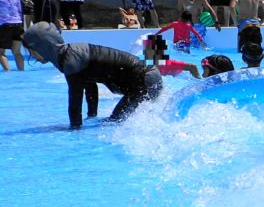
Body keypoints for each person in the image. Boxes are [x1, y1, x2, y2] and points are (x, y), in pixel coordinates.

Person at [22, 21, 161, 129]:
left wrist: (74, 130)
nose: (32, 56)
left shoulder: (70, 61)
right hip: (150, 78)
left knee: (114, 122)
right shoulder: (73, 53)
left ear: (43, 46)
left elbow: (75, 102)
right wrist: (91, 117)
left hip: (146, 79)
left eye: (32, 51)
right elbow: (90, 84)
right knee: (116, 120)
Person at [0, 0, 26, 71]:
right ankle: (21, 72)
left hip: (4, 24)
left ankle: (8, 73)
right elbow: (19, 8)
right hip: (17, 23)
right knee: (17, 52)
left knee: (1, 53)